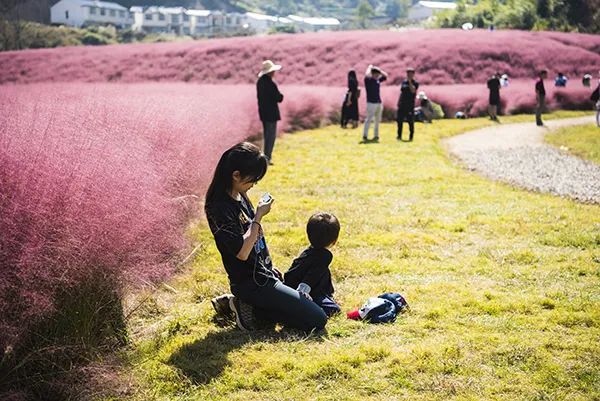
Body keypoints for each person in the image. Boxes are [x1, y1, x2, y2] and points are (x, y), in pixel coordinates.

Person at [205, 142, 327, 332]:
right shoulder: (218, 208)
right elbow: (242, 253)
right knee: (317, 320)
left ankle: (251, 309)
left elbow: (256, 242)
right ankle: (243, 305)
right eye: (252, 179)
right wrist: (258, 216)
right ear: (236, 175)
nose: (253, 185)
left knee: (316, 270)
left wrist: (269, 267)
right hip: (251, 284)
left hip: (265, 275)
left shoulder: (240, 193)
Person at [284, 212, 342, 318]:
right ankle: (308, 309)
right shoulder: (325, 256)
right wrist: (303, 291)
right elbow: (309, 278)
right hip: (303, 293)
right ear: (334, 241)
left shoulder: (308, 252)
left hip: (289, 288)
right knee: (334, 309)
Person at [257, 60, 284, 165]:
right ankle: (267, 158)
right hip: (271, 114)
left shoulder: (259, 82)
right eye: (273, 71)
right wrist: (280, 95)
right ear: (270, 72)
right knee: (271, 136)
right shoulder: (270, 83)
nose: (274, 73)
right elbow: (278, 97)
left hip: (263, 113)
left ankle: (265, 157)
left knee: (266, 135)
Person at [363, 64, 388, 142]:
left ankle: (376, 135)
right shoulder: (368, 80)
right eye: (376, 74)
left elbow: (385, 76)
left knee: (377, 120)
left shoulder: (377, 80)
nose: (378, 75)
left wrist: (379, 71)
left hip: (378, 102)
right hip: (371, 103)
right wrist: (370, 68)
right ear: (373, 74)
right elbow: (366, 74)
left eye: (378, 74)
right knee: (369, 119)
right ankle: (365, 135)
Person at [397, 67, 419, 141]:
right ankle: (399, 136)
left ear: (413, 74)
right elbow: (402, 91)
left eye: (411, 73)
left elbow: (413, 90)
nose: (409, 75)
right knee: (399, 121)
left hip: (410, 105)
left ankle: (411, 136)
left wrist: (410, 82)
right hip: (402, 104)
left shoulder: (415, 83)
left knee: (410, 122)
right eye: (408, 73)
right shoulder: (403, 82)